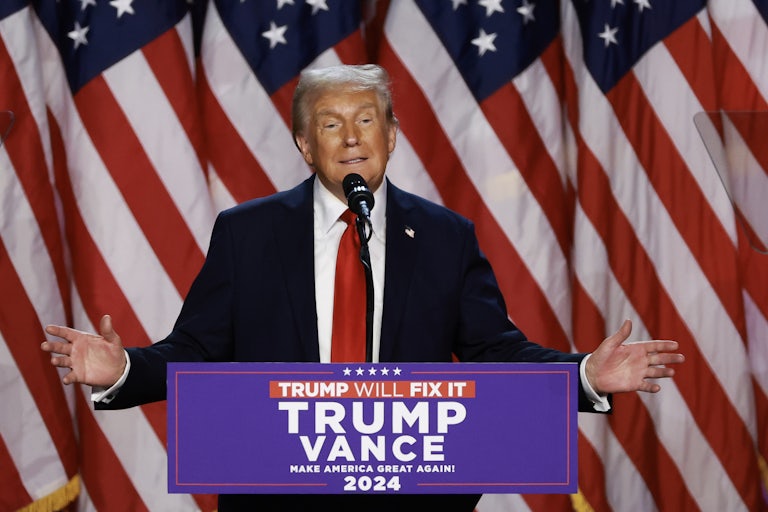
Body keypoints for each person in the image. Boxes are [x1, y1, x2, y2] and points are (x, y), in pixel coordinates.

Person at [41, 64, 684, 511]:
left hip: (417, 496)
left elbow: (498, 352)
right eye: (330, 123)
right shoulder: (248, 234)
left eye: (367, 120)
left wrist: (584, 377)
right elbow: (196, 350)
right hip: (279, 497)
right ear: (303, 143)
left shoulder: (445, 237)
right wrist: (124, 368)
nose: (352, 137)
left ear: (392, 137)